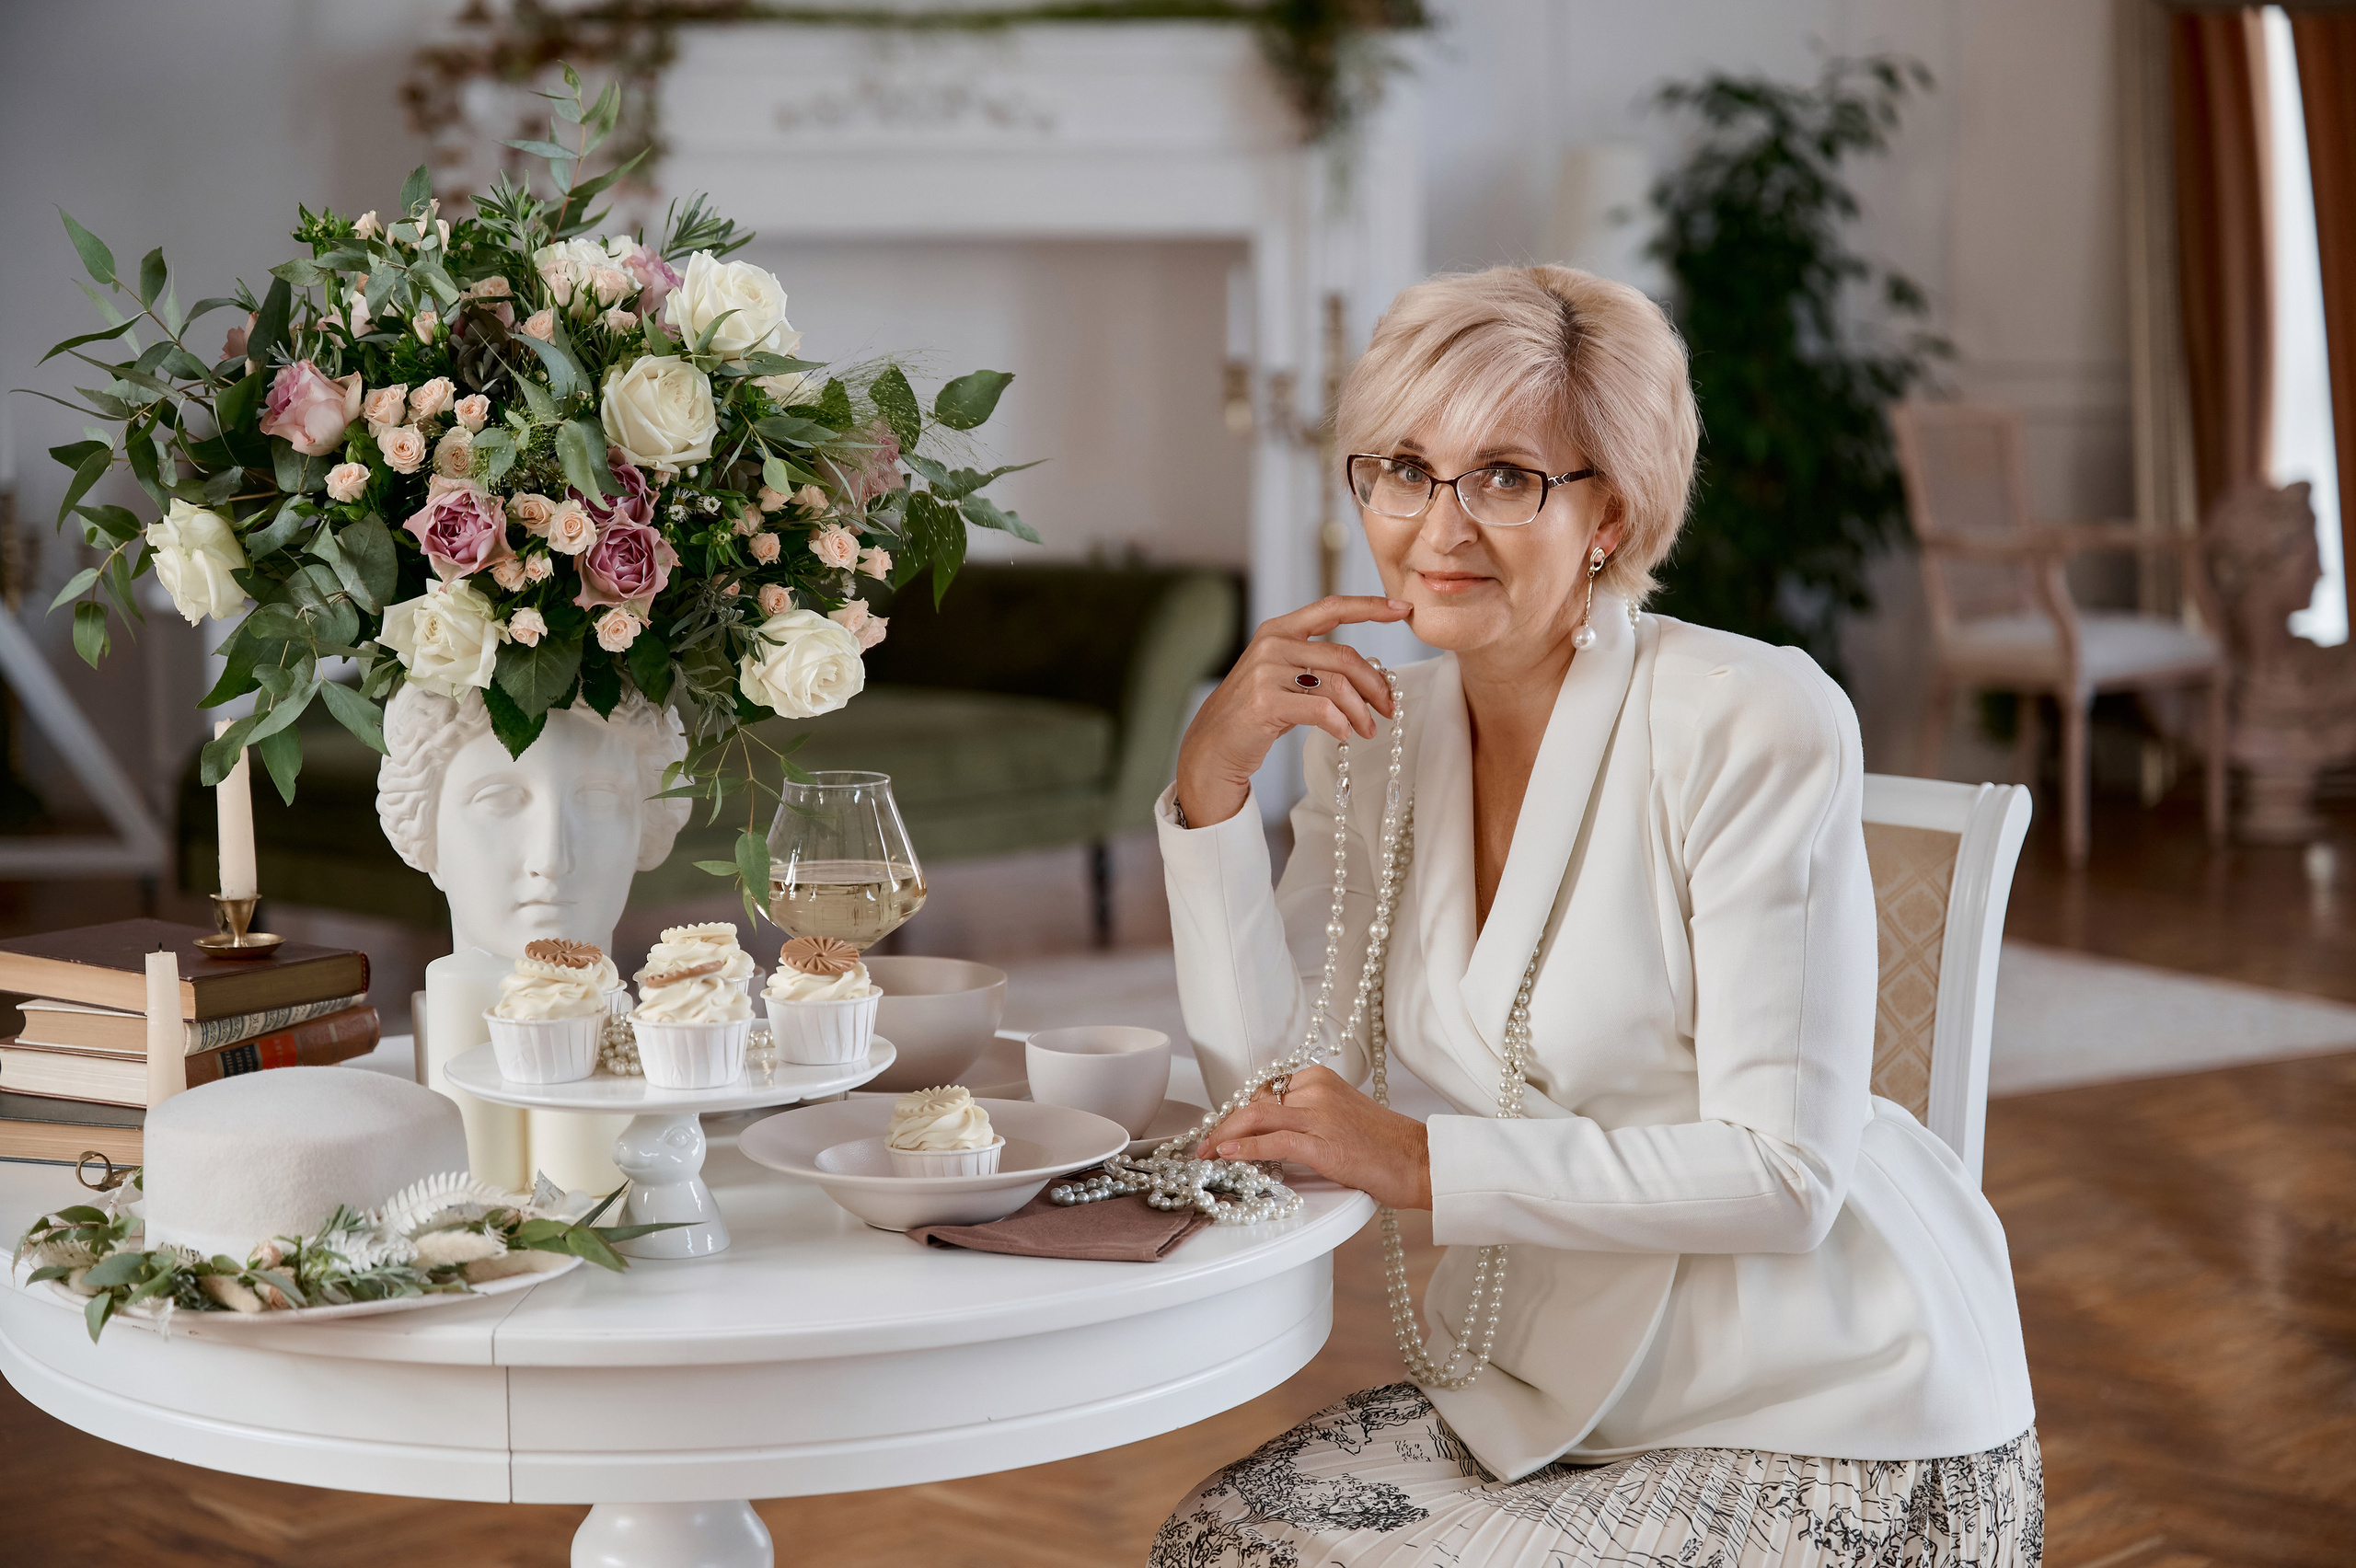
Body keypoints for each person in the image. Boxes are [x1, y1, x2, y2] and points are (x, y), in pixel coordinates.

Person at [1149, 266, 2039, 1567]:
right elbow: (1282, 1098)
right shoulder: (1371, 742)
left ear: (1609, 514)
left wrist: (1423, 1161)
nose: (1440, 526)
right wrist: (1212, 788)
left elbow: (1785, 1177)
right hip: (1548, 1388)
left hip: (1837, 1407)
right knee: (1215, 1540)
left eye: (1506, 477)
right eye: (1404, 469)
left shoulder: (1752, 717)